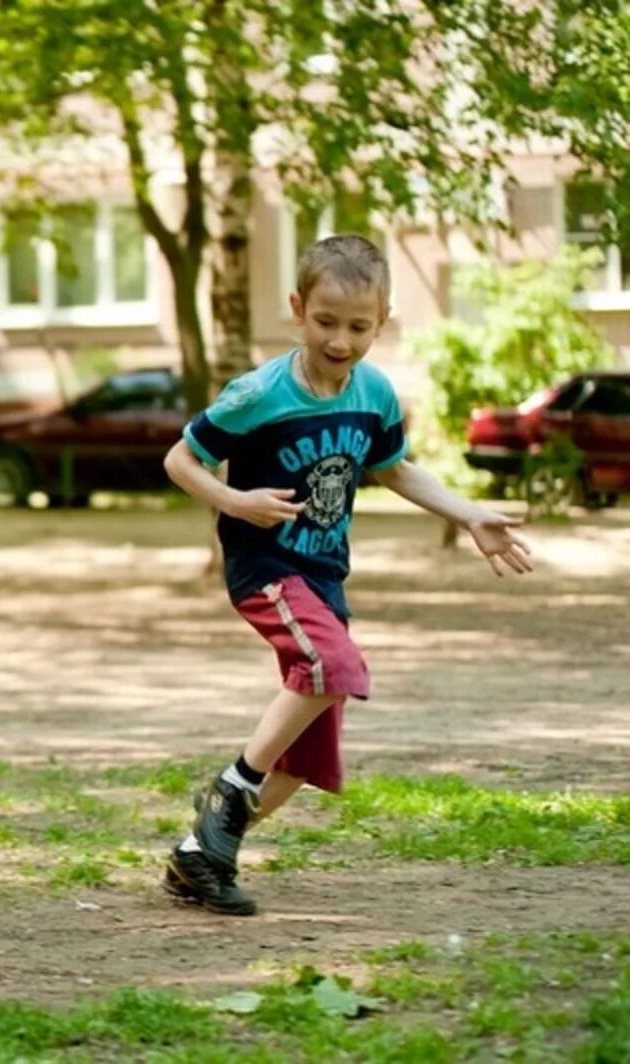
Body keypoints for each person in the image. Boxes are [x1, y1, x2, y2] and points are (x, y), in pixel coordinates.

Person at [160, 234, 534, 916]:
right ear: (298, 310)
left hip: (325, 578)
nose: (340, 340)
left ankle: (198, 857)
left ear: (381, 322)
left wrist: (470, 512)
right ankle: (230, 786)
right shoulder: (260, 393)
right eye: (326, 322)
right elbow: (180, 460)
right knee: (335, 669)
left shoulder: (374, 393)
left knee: (307, 760)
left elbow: (393, 468)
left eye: (358, 327)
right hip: (267, 567)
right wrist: (235, 501)